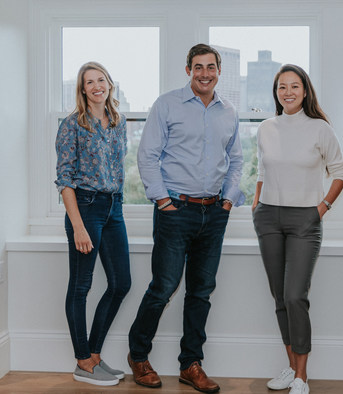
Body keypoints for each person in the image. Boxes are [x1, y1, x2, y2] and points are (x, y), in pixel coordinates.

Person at [127, 43, 244, 393]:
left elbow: (236, 161)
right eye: (198, 67)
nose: (204, 73)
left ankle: (190, 364)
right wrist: (163, 201)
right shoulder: (167, 104)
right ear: (188, 70)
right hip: (175, 210)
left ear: (219, 71)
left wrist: (226, 202)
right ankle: (138, 355)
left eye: (211, 67)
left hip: (214, 212)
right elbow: (147, 155)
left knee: (201, 292)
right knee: (163, 286)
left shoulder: (229, 112)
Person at [252, 64, 343, 394]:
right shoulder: (266, 128)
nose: (288, 92)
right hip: (269, 218)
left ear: (305, 91)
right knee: (279, 297)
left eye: (294, 86)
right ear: (276, 92)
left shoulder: (320, 129)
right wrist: (257, 205)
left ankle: (302, 378)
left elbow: (341, 173)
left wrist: (321, 209)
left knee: (295, 296)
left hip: (305, 220)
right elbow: (262, 172)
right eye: (282, 87)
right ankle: (291, 368)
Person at [55, 61, 131, 386]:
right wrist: (78, 227)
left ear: (110, 84)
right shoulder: (72, 125)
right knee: (81, 286)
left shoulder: (118, 121)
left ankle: (94, 355)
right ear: (83, 89)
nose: (97, 86)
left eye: (101, 80)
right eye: (90, 82)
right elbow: (65, 180)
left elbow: (118, 170)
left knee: (121, 283)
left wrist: (118, 207)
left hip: (114, 208)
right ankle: (82, 361)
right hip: (84, 208)